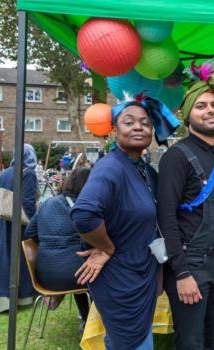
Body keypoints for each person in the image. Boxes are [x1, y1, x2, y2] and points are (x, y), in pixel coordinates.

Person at [71, 95, 179, 349]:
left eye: (145, 122)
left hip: (141, 274)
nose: (139, 127)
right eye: (129, 122)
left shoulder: (144, 171)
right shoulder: (111, 168)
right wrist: (106, 247)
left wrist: (158, 272)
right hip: (120, 280)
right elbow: (84, 215)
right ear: (114, 130)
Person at [158, 60, 214, 349]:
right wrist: (181, 273)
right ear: (187, 114)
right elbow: (165, 217)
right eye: (201, 106)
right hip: (190, 264)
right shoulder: (176, 157)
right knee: (191, 341)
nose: (210, 110)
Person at [25, 167, 91, 328]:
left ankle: (86, 318)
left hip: (45, 276)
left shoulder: (48, 202)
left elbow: (29, 232)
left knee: (81, 269)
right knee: (93, 271)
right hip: (76, 275)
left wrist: (51, 240)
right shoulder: (85, 206)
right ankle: (94, 322)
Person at [0, 144, 38, 312]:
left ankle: (4, 299)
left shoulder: (5, 173)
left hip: (3, 221)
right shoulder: (28, 173)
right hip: (20, 222)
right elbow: (28, 202)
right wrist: (33, 223)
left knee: (6, 258)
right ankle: (23, 297)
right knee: (22, 258)